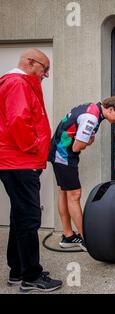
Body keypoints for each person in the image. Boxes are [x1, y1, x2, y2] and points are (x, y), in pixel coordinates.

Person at [0, 48, 63, 292]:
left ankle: (17, 271)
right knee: (29, 218)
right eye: (44, 69)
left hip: (16, 162)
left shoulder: (15, 83)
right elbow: (18, 120)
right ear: (29, 63)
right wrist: (34, 147)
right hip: (20, 162)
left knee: (19, 217)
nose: (46, 74)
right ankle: (31, 277)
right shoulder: (18, 83)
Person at [47, 96, 115, 250]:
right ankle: (86, 239)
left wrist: (86, 140)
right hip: (63, 154)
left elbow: (81, 140)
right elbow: (78, 146)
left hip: (60, 151)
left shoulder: (93, 108)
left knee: (64, 192)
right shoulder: (91, 117)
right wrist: (88, 141)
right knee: (74, 194)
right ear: (111, 110)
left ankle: (68, 236)